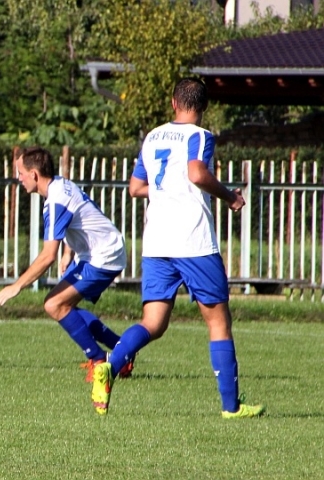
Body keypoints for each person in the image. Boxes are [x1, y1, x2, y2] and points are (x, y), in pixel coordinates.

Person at [91, 78, 265, 418]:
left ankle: (109, 367)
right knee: (218, 322)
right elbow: (197, 174)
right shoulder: (200, 136)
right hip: (192, 241)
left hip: (157, 241)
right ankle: (231, 407)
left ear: (174, 102)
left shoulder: (153, 136)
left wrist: (167, 190)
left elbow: (135, 187)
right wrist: (230, 197)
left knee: (153, 323)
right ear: (204, 106)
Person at [0, 146, 132, 381]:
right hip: (94, 252)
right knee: (65, 307)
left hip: (103, 256)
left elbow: (48, 256)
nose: (19, 179)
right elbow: (80, 219)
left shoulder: (56, 200)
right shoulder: (59, 185)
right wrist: (69, 253)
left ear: (34, 174)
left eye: (20, 173)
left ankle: (99, 360)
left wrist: (16, 286)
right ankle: (122, 351)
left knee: (54, 304)